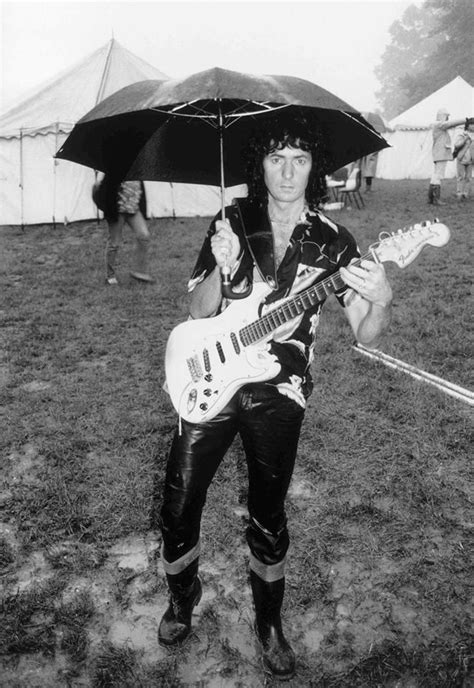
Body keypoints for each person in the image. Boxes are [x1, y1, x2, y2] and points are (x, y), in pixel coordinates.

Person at [155, 115, 393, 680]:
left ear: (315, 169)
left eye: (300, 160)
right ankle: (181, 597)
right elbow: (197, 311)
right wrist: (223, 262)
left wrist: (381, 298)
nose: (287, 171)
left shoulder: (334, 241)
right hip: (212, 377)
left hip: (280, 390)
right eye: (276, 158)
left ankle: (269, 624)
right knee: (179, 501)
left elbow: (365, 332)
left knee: (268, 512)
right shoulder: (230, 219)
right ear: (259, 164)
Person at [94, 174, 155, 285]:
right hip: (117, 211)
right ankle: (110, 276)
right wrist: (109, 210)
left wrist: (143, 210)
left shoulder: (138, 169)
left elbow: (141, 192)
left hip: (133, 210)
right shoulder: (115, 169)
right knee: (114, 243)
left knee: (144, 235)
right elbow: (103, 191)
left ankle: (139, 272)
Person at [428, 108, 466, 205]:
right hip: (441, 153)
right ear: (442, 116)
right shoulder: (439, 124)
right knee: (438, 175)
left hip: (439, 153)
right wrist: (466, 120)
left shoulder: (438, 126)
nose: (448, 118)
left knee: (436, 175)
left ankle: (431, 198)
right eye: (447, 116)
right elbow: (451, 124)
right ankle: (436, 199)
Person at [453, 117, 474, 200]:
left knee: (469, 178)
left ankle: (466, 193)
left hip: (471, 159)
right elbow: (456, 145)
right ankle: (459, 193)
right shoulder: (462, 134)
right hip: (461, 159)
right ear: (467, 125)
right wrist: (465, 140)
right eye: (471, 124)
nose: (473, 126)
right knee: (460, 177)